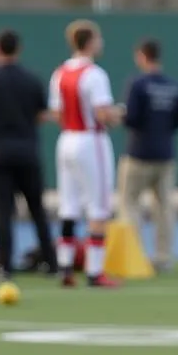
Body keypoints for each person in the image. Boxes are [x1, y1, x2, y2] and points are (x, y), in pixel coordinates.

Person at [0, 29, 58, 278]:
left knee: (3, 212)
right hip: (27, 152)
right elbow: (42, 115)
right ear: (18, 49)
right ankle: (50, 263)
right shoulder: (31, 79)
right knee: (37, 210)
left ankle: (4, 265)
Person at [49, 19, 124, 288]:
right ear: (90, 42)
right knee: (98, 205)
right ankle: (94, 272)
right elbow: (103, 113)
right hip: (90, 141)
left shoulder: (60, 72)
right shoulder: (95, 74)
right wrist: (118, 114)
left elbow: (56, 113)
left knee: (68, 205)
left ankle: (65, 267)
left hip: (66, 139)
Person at [118, 38, 178, 272]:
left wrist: (119, 114)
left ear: (141, 56)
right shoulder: (173, 85)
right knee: (165, 208)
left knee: (129, 205)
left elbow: (131, 118)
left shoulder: (137, 84)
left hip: (138, 154)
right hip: (165, 154)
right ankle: (164, 258)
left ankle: (134, 257)